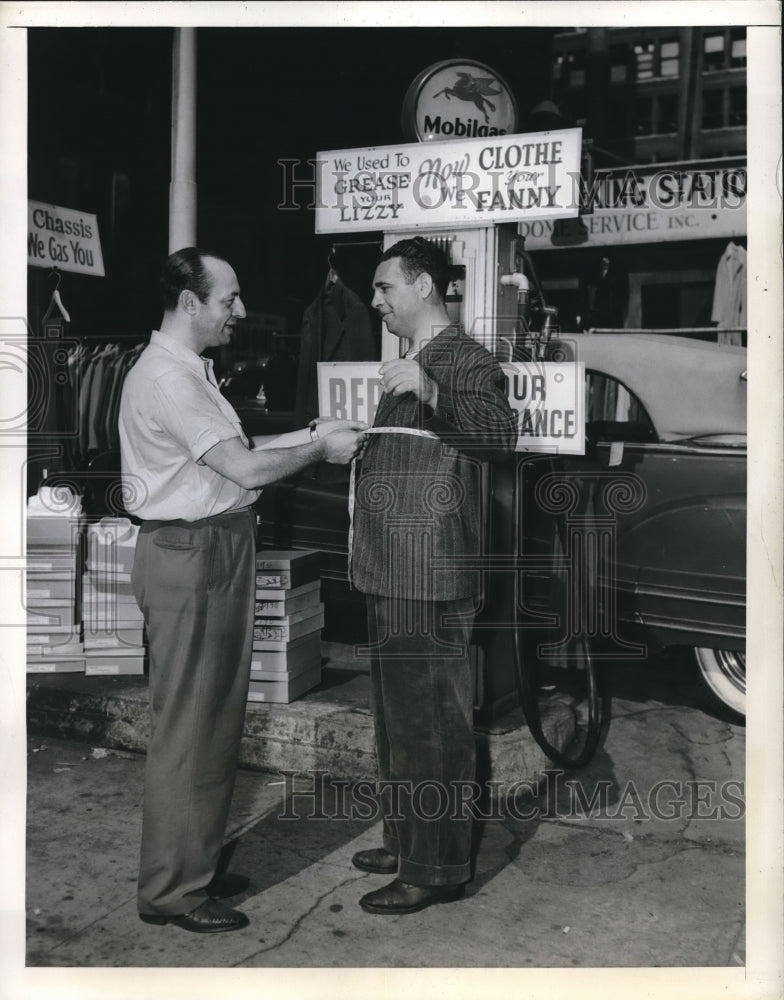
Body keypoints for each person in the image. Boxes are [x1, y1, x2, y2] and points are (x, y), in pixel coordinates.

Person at [118, 247, 366, 934]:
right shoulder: (167, 378)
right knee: (190, 726)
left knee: (216, 718)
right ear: (191, 303)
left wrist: (314, 431)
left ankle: (192, 861)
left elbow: (241, 450)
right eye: (229, 299)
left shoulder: (190, 373)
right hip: (190, 554)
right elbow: (247, 470)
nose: (241, 312)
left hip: (213, 547)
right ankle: (172, 891)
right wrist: (319, 450)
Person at [350, 238, 517, 915]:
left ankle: (437, 866)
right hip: (393, 567)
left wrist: (433, 389)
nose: (377, 299)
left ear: (424, 285)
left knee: (434, 724)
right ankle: (407, 836)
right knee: (399, 720)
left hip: (431, 572)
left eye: (386, 286)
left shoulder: (464, 361)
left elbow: (498, 435)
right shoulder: (412, 360)